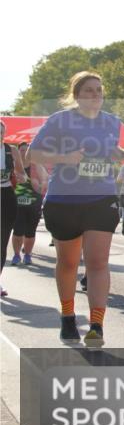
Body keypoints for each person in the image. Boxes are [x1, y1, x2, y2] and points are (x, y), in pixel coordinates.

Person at [28, 71, 124, 346]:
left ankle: (96, 326)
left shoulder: (112, 122)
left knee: (97, 262)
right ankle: (67, 317)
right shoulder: (59, 121)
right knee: (67, 262)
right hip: (63, 200)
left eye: (99, 90)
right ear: (76, 95)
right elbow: (33, 154)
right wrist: (64, 157)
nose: (96, 95)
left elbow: (106, 152)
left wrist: (119, 155)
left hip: (101, 198)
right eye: (89, 90)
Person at [1, 124, 27, 297]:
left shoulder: (11, 150)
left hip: (6, 196)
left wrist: (20, 176)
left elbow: (23, 175)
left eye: (1, 132)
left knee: (2, 242)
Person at [11, 143, 46, 266]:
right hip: (17, 204)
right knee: (17, 231)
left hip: (34, 204)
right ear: (18, 152)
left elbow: (45, 182)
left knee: (30, 232)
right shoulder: (14, 166)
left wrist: (39, 185)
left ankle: (27, 255)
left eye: (26, 150)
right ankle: (16, 255)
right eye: (21, 150)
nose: (24, 152)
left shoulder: (36, 166)